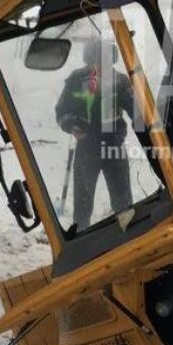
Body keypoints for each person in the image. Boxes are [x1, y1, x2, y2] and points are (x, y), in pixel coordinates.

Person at [55, 38, 135, 230]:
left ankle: (130, 236)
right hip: (86, 149)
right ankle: (82, 239)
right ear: (88, 58)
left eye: (104, 59)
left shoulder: (121, 81)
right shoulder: (76, 79)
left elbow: (137, 112)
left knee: (124, 203)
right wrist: (71, 125)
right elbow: (62, 111)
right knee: (82, 206)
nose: (99, 65)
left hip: (114, 148)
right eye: (95, 58)